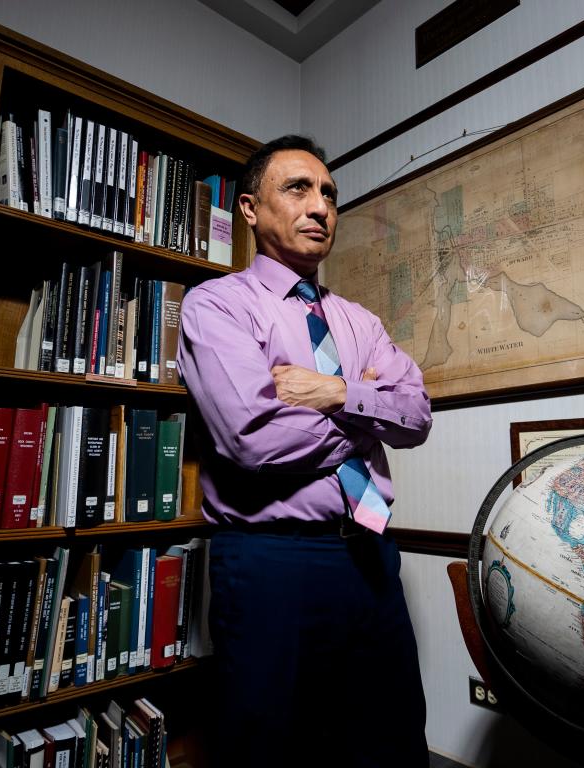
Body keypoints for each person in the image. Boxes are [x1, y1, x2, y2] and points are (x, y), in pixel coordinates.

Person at [177, 135, 432, 767]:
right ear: (249, 209)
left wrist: (331, 391)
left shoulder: (360, 321)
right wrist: (368, 405)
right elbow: (253, 439)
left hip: (371, 552)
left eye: (329, 195)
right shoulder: (217, 306)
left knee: (389, 742)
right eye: (298, 189)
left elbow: (419, 413)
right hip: (271, 562)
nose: (319, 206)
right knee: (270, 747)